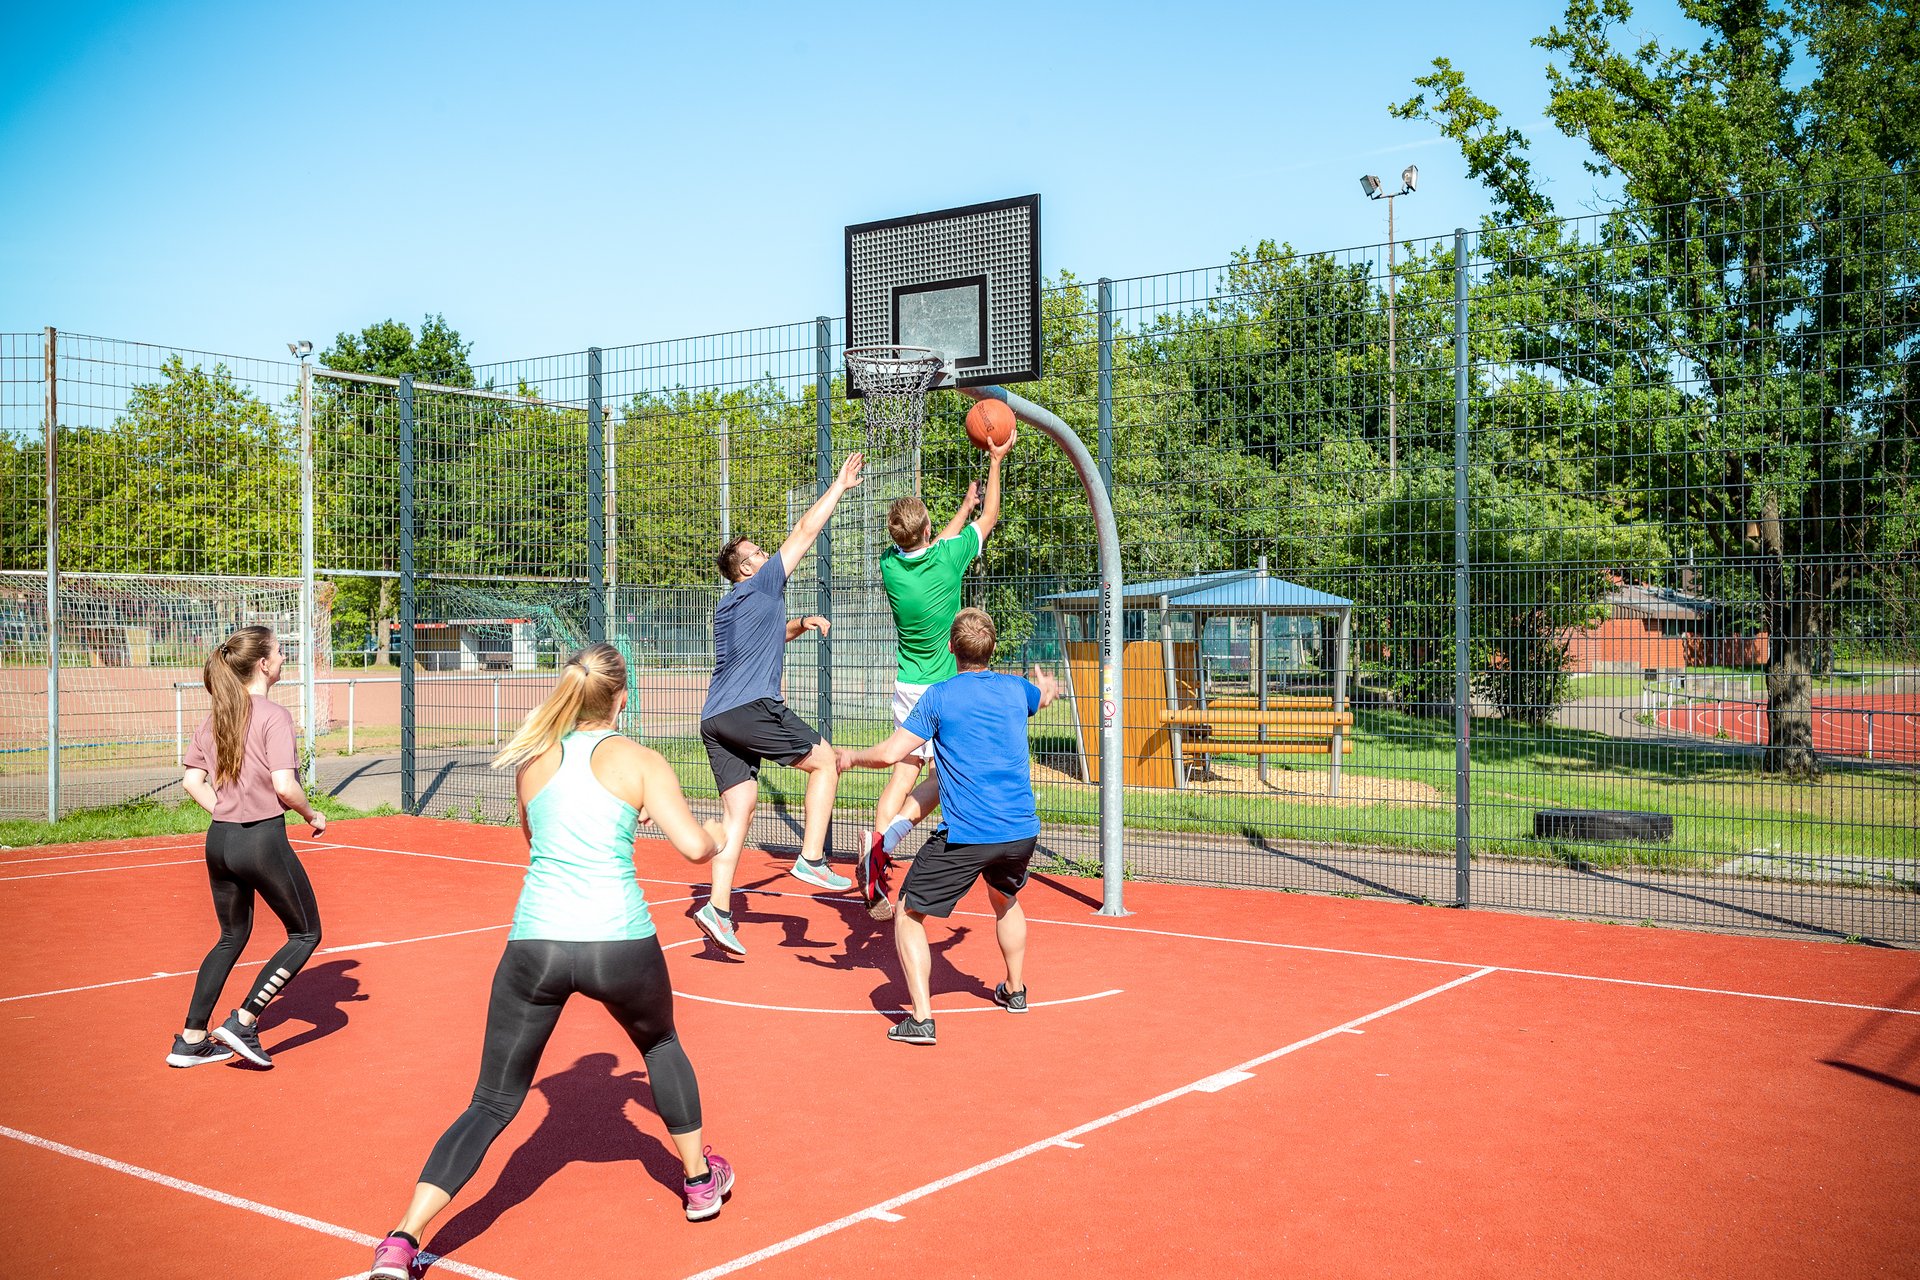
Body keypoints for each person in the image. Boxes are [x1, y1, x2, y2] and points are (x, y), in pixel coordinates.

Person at [368, 644, 734, 1279]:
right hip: (618, 940)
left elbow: (539, 840)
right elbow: (697, 849)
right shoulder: (642, 761)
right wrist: (721, 827)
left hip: (536, 943)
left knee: (490, 1102)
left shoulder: (533, 760)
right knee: (660, 1045)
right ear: (623, 698)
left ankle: (402, 1238)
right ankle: (700, 1181)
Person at [837, 608, 1060, 1045]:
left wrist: (850, 756)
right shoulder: (1017, 689)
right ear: (994, 649)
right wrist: (1046, 690)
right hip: (1020, 830)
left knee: (908, 912)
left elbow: (890, 754)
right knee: (1005, 899)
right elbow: (1040, 698)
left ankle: (921, 1019)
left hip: (969, 834)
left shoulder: (939, 696)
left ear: (951, 649)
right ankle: (1015, 991)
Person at [693, 450, 865, 957]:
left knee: (739, 813)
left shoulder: (729, 607)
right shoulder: (765, 581)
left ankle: (717, 908)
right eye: (759, 553)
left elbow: (761, 641)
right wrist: (838, 487)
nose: (769, 555)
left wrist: (798, 625)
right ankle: (811, 857)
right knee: (828, 763)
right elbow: (805, 532)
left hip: (715, 718)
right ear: (746, 568)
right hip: (751, 708)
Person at [860, 428, 1016, 921]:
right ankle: (896, 840)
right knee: (937, 779)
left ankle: (876, 855)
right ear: (928, 529)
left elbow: (928, 544)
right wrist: (995, 462)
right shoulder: (949, 560)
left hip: (906, 683)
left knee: (901, 773)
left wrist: (961, 513)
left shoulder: (890, 565)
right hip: (941, 688)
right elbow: (990, 518)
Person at [168, 626, 325, 1070]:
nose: (283, 658)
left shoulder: (215, 716)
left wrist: (226, 809)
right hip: (260, 839)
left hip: (219, 840)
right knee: (305, 933)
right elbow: (284, 785)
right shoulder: (274, 715)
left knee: (231, 936)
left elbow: (190, 781)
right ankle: (244, 1020)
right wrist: (312, 815)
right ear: (263, 663)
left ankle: (192, 1039)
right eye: (279, 652)